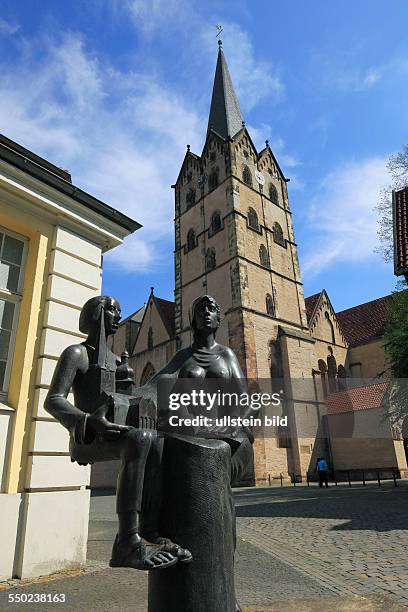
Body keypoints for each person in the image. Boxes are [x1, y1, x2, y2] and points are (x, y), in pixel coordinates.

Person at [44, 295, 190, 571]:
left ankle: (148, 530)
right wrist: (88, 420)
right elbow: (53, 400)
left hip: (116, 431)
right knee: (141, 438)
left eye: (119, 311)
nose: (118, 316)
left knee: (159, 441)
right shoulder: (77, 354)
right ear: (96, 314)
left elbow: (125, 400)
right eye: (112, 310)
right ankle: (126, 543)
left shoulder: (115, 360)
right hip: (87, 437)